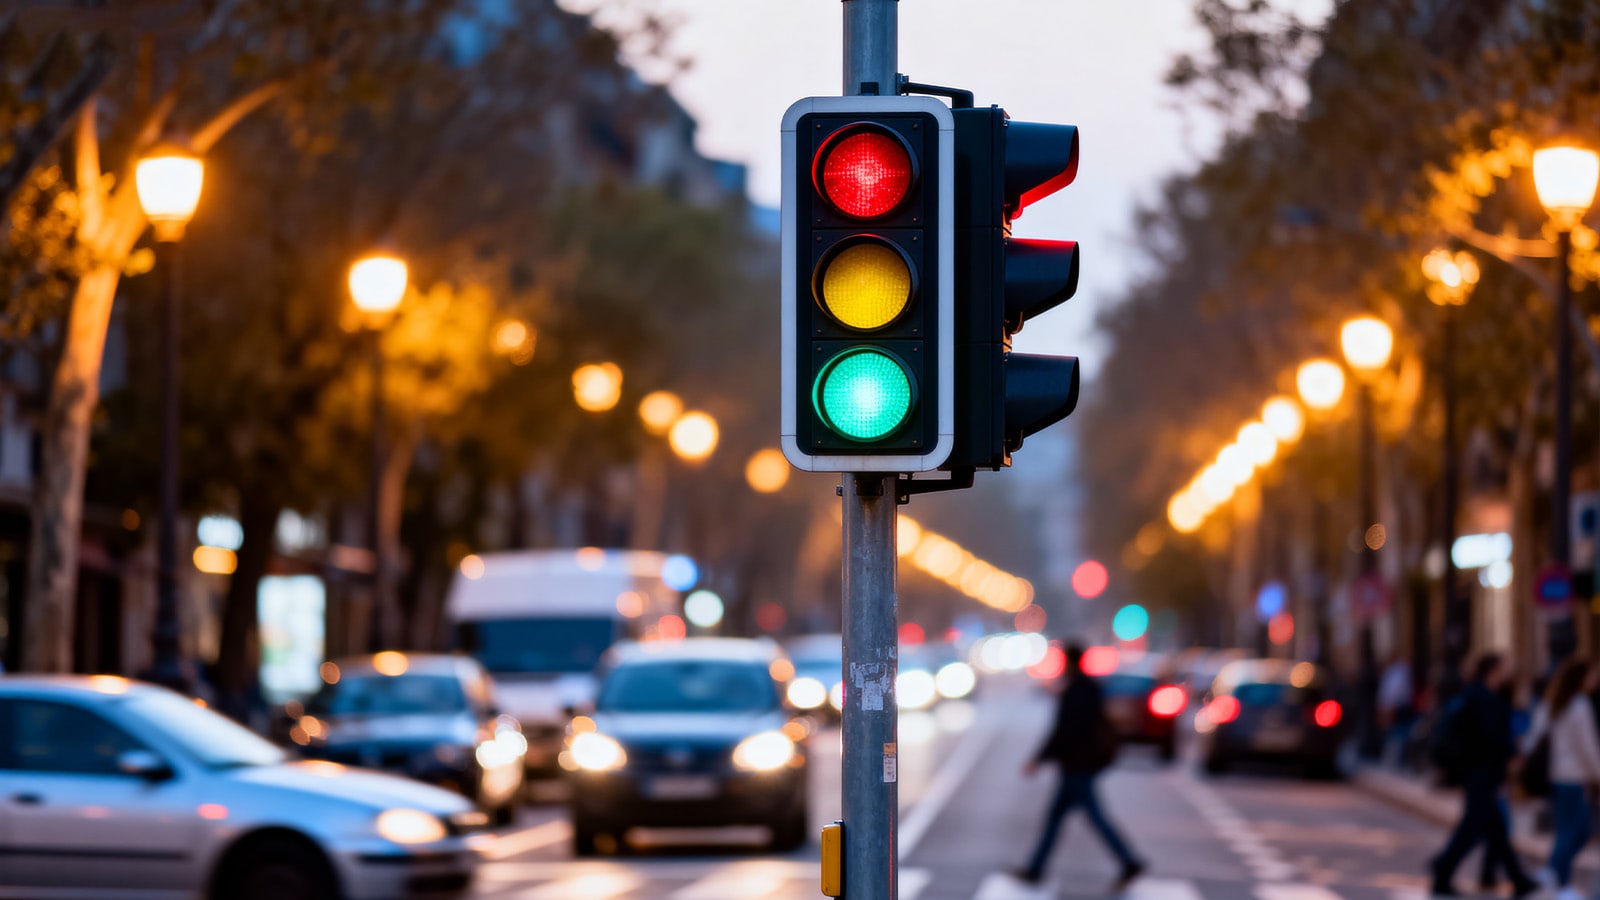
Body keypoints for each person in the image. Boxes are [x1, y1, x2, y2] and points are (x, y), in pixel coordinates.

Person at [1012, 643, 1145, 889]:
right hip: (1080, 763)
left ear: (1070, 662)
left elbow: (1064, 730)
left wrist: (1038, 759)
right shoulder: (1089, 688)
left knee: (1093, 816)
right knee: (1055, 819)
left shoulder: (1075, 690)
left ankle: (1129, 861)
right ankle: (1035, 869)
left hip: (1077, 765)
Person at [1429, 653, 1538, 898]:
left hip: (1476, 772)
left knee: (1494, 828)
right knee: (1475, 827)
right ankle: (1443, 869)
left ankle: (1518, 880)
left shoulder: (1475, 695)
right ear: (1493, 671)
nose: (1506, 674)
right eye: (1503, 669)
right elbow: (1491, 739)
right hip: (1482, 773)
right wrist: (1509, 757)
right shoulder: (1485, 699)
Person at [1526, 659, 1600, 899]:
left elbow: (1534, 736)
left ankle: (1554, 873)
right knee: (1571, 831)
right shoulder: (1579, 704)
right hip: (1573, 776)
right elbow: (1587, 746)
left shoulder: (1554, 703)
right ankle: (1559, 879)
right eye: (1592, 675)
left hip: (1560, 775)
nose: (1595, 680)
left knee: (1576, 830)